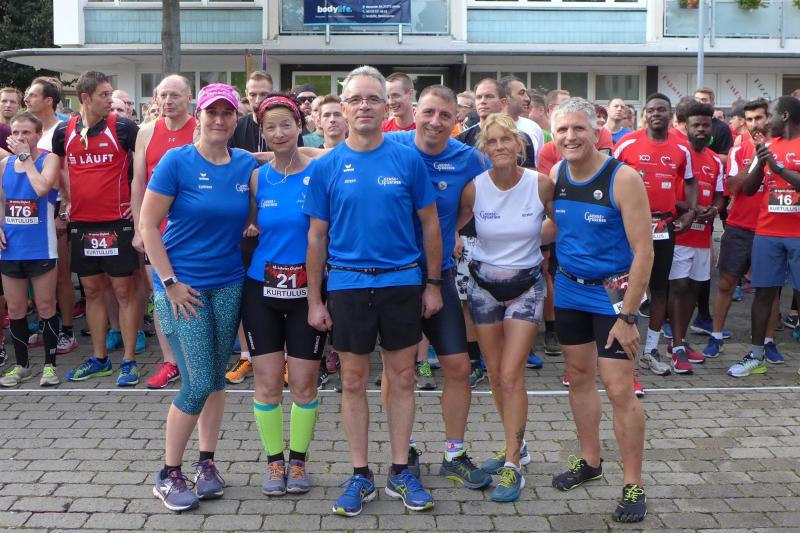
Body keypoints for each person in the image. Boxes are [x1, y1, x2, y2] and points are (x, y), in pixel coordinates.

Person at [304, 65, 442, 516]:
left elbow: (430, 224)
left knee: (401, 378)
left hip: (402, 282)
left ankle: (400, 470)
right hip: (347, 284)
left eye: (373, 98)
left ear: (387, 106)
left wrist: (433, 283)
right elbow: (316, 237)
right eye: (355, 99)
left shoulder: (407, 159)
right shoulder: (326, 166)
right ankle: (360, 474)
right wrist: (314, 299)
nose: (364, 106)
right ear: (343, 108)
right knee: (352, 380)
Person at [141, 83, 257, 511]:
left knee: (216, 378)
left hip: (228, 282)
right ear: (200, 114)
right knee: (198, 383)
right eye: (213, 112)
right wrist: (169, 281)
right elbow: (147, 225)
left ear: (236, 118)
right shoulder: (177, 162)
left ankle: (206, 463)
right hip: (182, 289)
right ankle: (168, 473)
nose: (220, 120)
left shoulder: (245, 163)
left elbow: (289, 160)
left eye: (228, 113)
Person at [548, 97, 653, 523]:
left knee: (619, 388)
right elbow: (555, 227)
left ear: (596, 132)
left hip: (613, 295)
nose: (570, 137)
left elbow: (644, 251)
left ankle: (633, 484)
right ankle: (590, 462)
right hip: (569, 290)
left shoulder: (622, 177)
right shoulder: (556, 174)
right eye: (562, 130)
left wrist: (627, 315)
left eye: (579, 128)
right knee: (578, 379)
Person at [385, 84, 491, 491]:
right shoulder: (390, 146)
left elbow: (471, 205)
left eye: (445, 115)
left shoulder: (468, 159)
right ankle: (405, 449)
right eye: (428, 112)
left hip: (439, 275)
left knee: (458, 367)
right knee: (398, 371)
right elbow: (328, 156)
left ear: (456, 120)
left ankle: (454, 453)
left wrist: (452, 233)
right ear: (415, 111)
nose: (435, 121)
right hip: (394, 277)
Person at [455, 112, 550, 503]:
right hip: (483, 288)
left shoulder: (540, 184)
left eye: (505, 140)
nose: (499, 147)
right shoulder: (474, 188)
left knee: (511, 374)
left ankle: (513, 465)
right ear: (484, 148)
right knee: (495, 375)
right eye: (491, 142)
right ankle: (518, 445)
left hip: (526, 288)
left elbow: (561, 223)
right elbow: (454, 223)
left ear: (519, 144)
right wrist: (452, 240)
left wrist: (536, 237)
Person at [239, 95, 327, 497]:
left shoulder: (319, 170)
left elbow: (338, 150)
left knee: (305, 385)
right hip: (261, 290)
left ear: (299, 126)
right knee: (267, 383)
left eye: (286, 125)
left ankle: (299, 461)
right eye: (270, 127)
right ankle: (274, 463)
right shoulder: (258, 179)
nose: (278, 133)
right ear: (262, 131)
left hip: (308, 292)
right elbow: (249, 221)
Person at [51, 71, 142, 386]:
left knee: (123, 291)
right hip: (82, 224)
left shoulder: (124, 128)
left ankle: (129, 360)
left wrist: (137, 203)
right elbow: (56, 167)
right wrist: (66, 198)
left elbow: (145, 164)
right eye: (104, 95)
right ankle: (100, 359)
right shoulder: (64, 131)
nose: (110, 100)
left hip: (117, 222)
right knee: (91, 291)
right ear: (85, 98)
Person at [614, 93, 696, 377]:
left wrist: (690, 212)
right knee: (622, 288)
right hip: (627, 226)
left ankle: (650, 350)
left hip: (663, 227)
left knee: (660, 289)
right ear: (644, 115)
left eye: (662, 109)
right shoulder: (627, 143)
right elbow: (608, 176)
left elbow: (691, 181)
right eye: (651, 110)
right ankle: (619, 350)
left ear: (670, 115)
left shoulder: (682, 147)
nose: (656, 114)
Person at [131, 74, 197, 389]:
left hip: (191, 230)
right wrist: (138, 228)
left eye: (175, 95)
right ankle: (171, 361)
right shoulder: (146, 132)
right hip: (155, 229)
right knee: (162, 296)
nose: (168, 101)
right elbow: (138, 182)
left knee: (195, 292)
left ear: (189, 97)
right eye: (163, 95)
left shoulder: (199, 129)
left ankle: (197, 357)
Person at [728, 96, 800, 377]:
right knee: (763, 293)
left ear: (785, 115)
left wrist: (779, 168)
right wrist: (760, 162)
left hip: (797, 233)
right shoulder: (769, 146)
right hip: (768, 232)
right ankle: (756, 356)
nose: (766, 121)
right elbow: (748, 189)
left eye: (770, 115)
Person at [705, 99, 780, 359]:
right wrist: (755, 159)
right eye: (749, 119)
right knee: (726, 283)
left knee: (770, 290)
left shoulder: (783, 146)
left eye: (759, 118)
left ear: (769, 118)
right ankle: (716, 336)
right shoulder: (738, 149)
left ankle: (768, 342)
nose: (754, 124)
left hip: (772, 229)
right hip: (740, 226)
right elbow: (734, 187)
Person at [0, 112, 60, 387]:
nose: (20, 138)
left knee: (46, 306)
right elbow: (2, 201)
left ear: (38, 134)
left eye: (26, 132)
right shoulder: (4, 165)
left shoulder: (48, 160)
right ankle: (21, 365)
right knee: (15, 309)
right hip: (11, 248)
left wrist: (26, 158)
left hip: (41, 247)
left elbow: (41, 188)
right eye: (16, 133)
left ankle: (49, 366)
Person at [666, 101, 724, 373]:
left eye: (705, 125)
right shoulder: (678, 155)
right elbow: (666, 196)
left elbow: (720, 196)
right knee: (678, 287)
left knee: (694, 288)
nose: (701, 129)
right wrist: (691, 208)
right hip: (680, 234)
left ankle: (680, 341)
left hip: (703, 237)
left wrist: (714, 209)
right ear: (686, 127)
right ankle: (677, 345)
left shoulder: (715, 160)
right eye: (696, 125)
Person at [23, 77, 78, 355]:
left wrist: (65, 204)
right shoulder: (27, 129)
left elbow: (67, 171)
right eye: (26, 94)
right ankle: (48, 326)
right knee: (38, 273)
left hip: (55, 207)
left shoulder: (63, 129)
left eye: (32, 95)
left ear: (49, 100)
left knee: (61, 273)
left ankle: (67, 330)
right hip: (29, 211)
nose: (27, 99)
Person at [457, 78, 536, 169]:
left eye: (489, 96)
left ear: (503, 102)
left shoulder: (522, 139)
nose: (482, 101)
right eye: (479, 97)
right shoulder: (462, 140)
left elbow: (529, 175)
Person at [499, 76, 544, 166]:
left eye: (526, 94)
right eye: (521, 93)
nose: (527, 99)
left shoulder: (533, 127)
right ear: (506, 97)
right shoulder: (489, 127)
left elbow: (539, 164)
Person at [230, 70, 274, 156]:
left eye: (263, 94)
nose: (258, 100)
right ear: (246, 94)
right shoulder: (236, 127)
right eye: (253, 95)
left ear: (272, 94)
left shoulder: (284, 126)